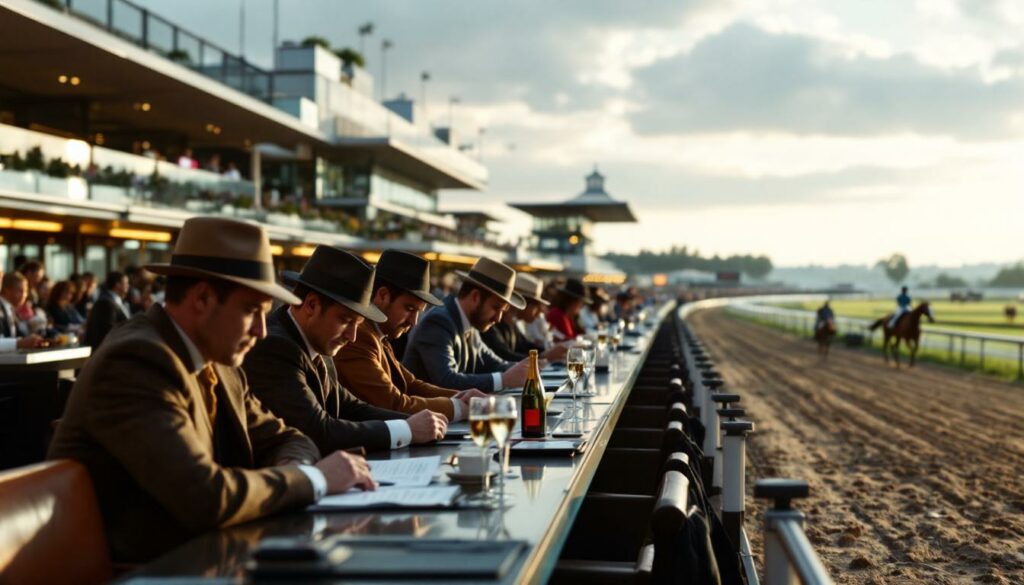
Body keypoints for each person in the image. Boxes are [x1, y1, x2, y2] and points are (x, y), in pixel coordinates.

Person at [48, 217, 376, 562]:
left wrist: (292, 468)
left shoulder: (219, 362)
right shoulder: (135, 362)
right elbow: (204, 497)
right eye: (252, 311)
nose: (262, 331)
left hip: (205, 558)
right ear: (202, 298)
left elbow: (291, 438)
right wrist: (312, 479)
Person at [244, 245, 447, 453]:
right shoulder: (275, 347)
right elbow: (318, 430)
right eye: (345, 320)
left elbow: (351, 407)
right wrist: (407, 429)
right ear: (311, 305)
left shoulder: (318, 342)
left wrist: (417, 422)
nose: (352, 336)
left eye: (357, 324)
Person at [335, 250, 486, 421]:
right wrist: (460, 407)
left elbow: (411, 384)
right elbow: (393, 403)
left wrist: (462, 397)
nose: (414, 322)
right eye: (410, 309)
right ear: (382, 296)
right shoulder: (360, 336)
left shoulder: (378, 333)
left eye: (418, 312)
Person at [403, 257, 532, 391]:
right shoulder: (437, 322)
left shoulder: (468, 321)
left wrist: (530, 368)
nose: (498, 318)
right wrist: (503, 380)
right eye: (496, 308)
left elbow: (493, 364)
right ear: (475, 296)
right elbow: (446, 380)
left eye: (502, 311)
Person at [481, 273, 567, 362]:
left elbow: (525, 346)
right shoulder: (492, 323)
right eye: (536, 306)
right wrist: (544, 357)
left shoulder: (511, 324)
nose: (539, 312)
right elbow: (504, 355)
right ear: (523, 303)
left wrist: (549, 352)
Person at [82, 271, 131, 349]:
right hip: (108, 352)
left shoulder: (116, 301)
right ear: (117, 285)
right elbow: (109, 330)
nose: (128, 286)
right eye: (126, 283)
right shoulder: (106, 302)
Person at [0, 271, 47, 351]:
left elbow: (19, 335)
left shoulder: (10, 309)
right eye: (20, 291)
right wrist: (19, 343)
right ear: (7, 290)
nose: (24, 295)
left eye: (25, 291)